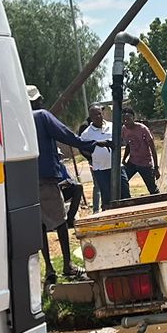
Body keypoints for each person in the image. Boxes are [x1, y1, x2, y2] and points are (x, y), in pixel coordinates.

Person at [30, 87, 97, 282]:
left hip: (26, 181)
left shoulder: (17, 119)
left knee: (40, 225)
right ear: (37, 100)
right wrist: (89, 144)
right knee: (60, 221)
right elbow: (65, 135)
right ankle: (68, 265)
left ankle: (50, 269)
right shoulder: (42, 116)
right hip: (46, 178)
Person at [80, 105, 115, 211]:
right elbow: (82, 147)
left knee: (123, 192)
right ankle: (99, 211)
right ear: (90, 117)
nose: (99, 116)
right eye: (95, 115)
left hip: (116, 167)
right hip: (100, 168)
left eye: (100, 113)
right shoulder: (86, 131)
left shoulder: (112, 126)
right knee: (104, 193)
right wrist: (90, 157)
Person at [121, 115, 160, 196]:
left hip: (144, 163)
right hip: (132, 162)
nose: (126, 122)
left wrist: (156, 168)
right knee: (122, 181)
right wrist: (124, 158)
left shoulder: (143, 129)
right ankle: (127, 201)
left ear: (133, 118)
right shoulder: (124, 129)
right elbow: (128, 144)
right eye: (124, 120)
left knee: (152, 189)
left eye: (128, 119)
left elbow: (153, 148)